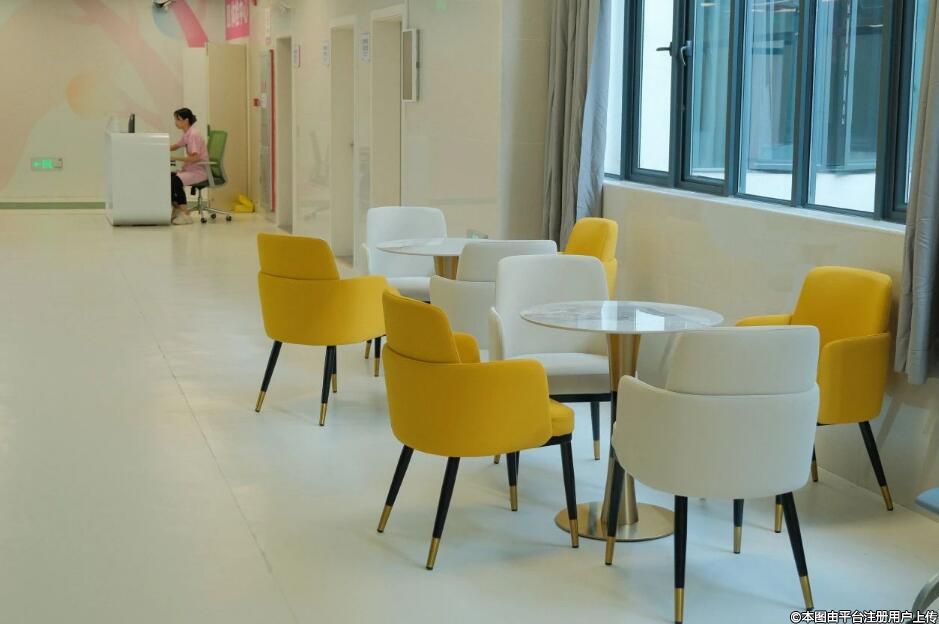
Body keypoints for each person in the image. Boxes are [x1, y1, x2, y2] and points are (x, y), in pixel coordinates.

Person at [169, 108, 208, 225]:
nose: (176, 122)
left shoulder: (193, 135)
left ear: (186, 120)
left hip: (199, 171)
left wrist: (175, 158)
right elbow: (176, 146)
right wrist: (159, 147)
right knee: (169, 178)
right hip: (191, 169)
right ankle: (177, 209)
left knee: (175, 181)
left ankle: (185, 214)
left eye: (178, 119)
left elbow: (195, 158)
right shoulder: (187, 134)